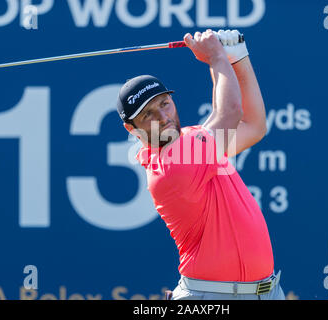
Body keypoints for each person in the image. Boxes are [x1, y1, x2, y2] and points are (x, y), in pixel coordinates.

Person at [117, 29, 284, 300]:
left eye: (165, 104)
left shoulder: (193, 141)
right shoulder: (171, 165)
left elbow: (254, 126)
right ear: (132, 129)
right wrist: (216, 56)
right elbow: (229, 112)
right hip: (210, 297)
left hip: (266, 292)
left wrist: (237, 58)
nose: (163, 117)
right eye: (148, 114)